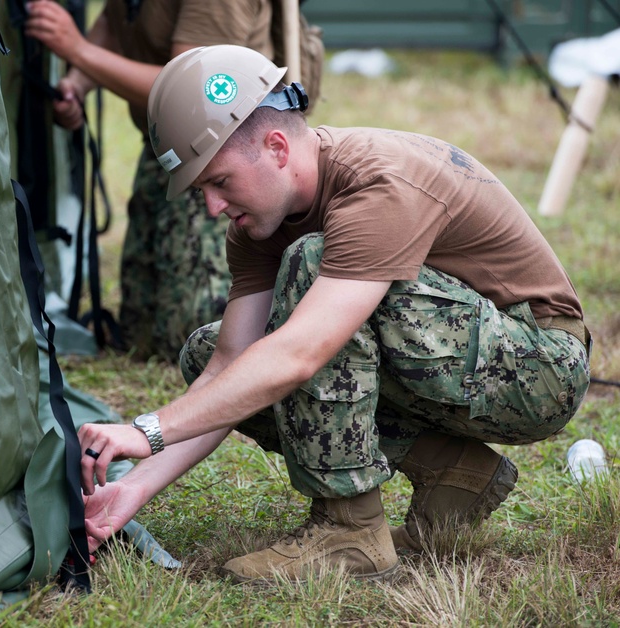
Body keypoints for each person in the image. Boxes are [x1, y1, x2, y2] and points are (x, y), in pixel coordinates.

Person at [77, 45, 591, 583]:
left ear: (276, 147)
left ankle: (350, 531)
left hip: (540, 366)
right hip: (449, 352)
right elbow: (226, 366)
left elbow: (302, 353)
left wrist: (148, 429)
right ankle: (453, 471)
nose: (212, 207)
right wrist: (130, 487)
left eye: (219, 181)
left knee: (309, 271)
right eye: (202, 189)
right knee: (213, 349)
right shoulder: (260, 224)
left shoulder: (375, 182)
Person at [23, 0, 276, 359]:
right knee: (140, 334)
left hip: (220, 154)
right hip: (166, 149)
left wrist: (77, 49)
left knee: (189, 335)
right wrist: (77, 84)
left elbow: (193, 91)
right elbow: (113, 22)